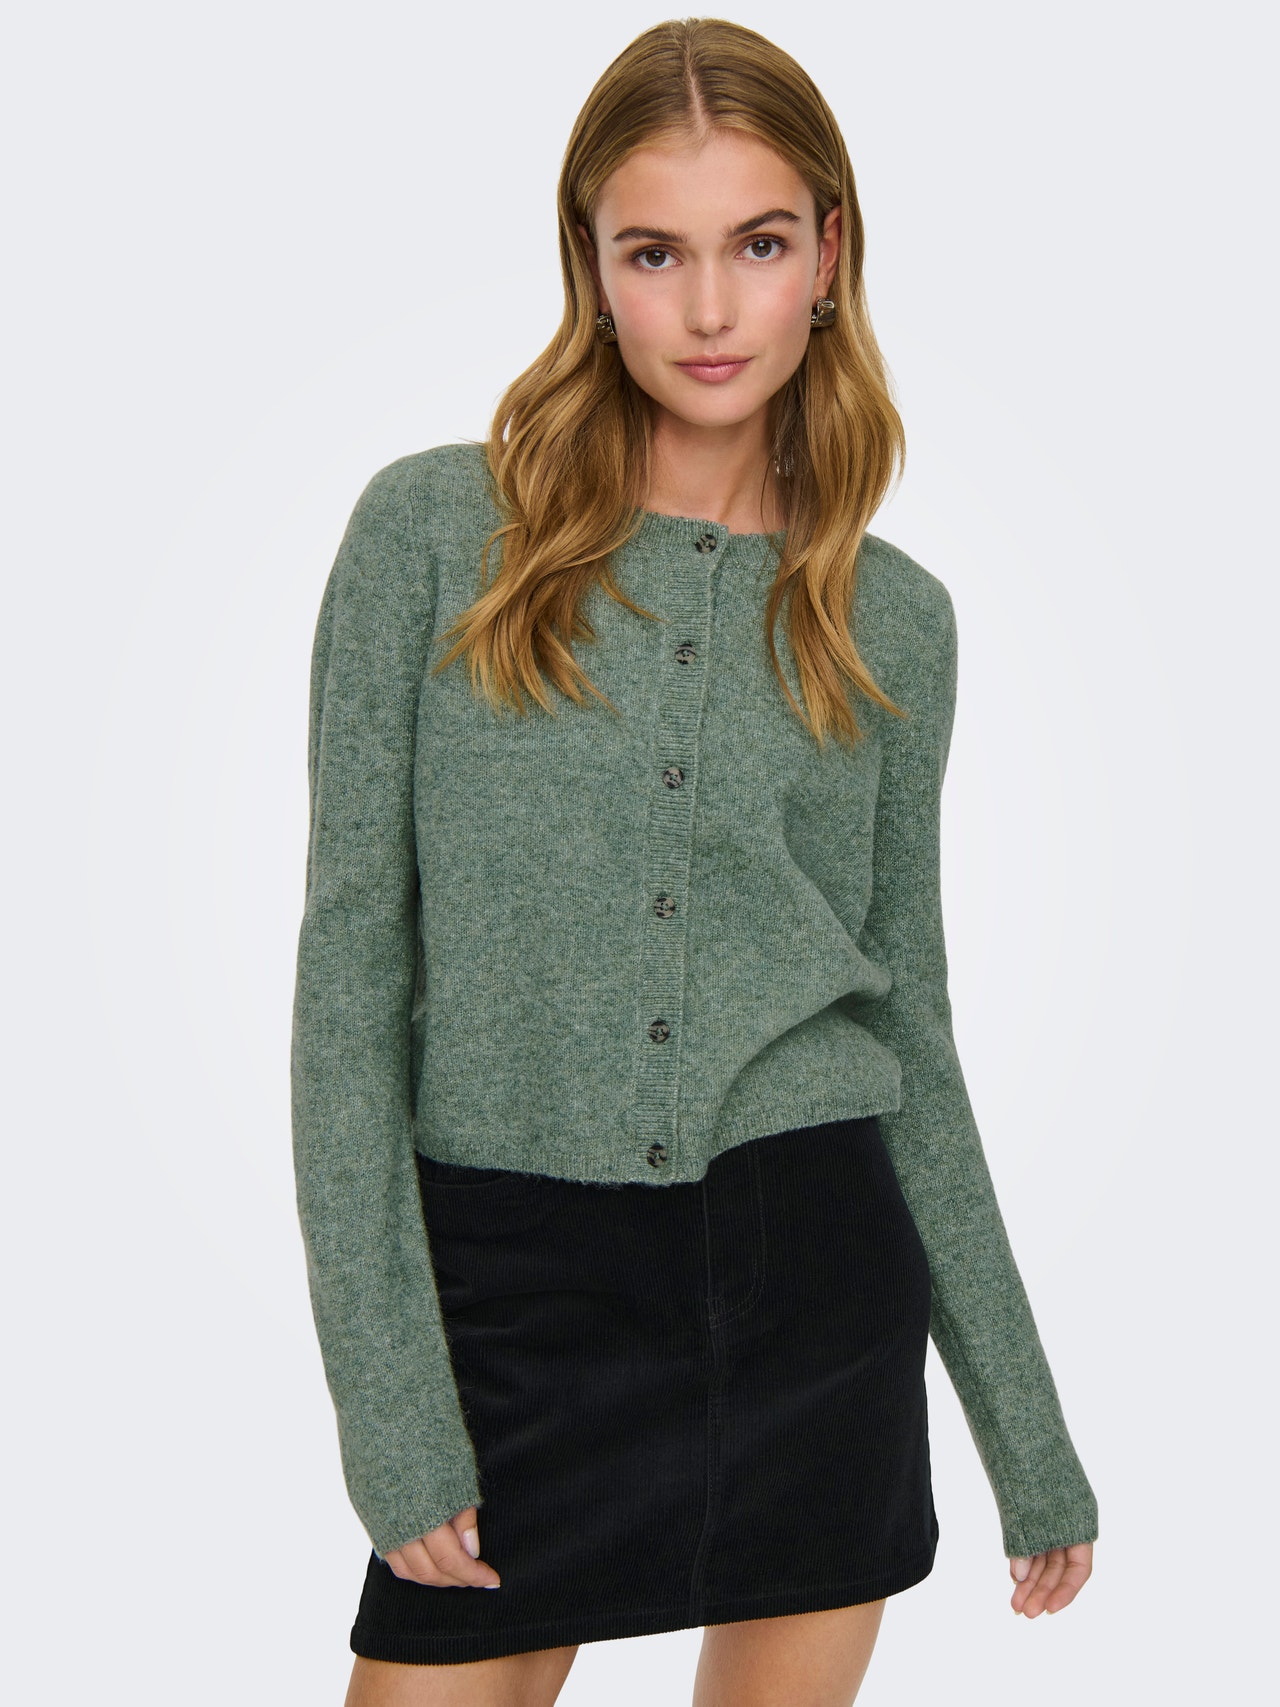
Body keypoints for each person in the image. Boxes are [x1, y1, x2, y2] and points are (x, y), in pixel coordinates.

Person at [291, 17, 1098, 1706]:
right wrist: (391, 1408)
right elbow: (351, 982)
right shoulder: (430, 535)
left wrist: (1025, 1433)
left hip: (816, 1301)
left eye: (761, 243)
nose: (712, 308)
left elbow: (911, 1032)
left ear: (830, 257)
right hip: (511, 1298)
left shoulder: (893, 621)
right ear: (590, 267)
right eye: (656, 252)